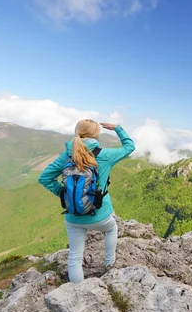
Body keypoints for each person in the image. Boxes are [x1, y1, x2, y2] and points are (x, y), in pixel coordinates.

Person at [39, 119, 135, 283]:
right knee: (112, 230)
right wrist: (118, 128)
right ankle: (109, 264)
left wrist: (64, 194)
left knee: (75, 257)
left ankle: (78, 293)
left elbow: (44, 178)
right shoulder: (104, 155)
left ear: (77, 133)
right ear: (97, 136)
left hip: (73, 217)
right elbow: (129, 147)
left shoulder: (67, 155)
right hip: (100, 215)